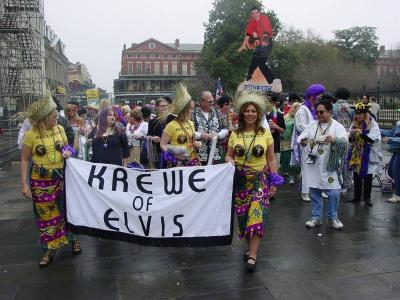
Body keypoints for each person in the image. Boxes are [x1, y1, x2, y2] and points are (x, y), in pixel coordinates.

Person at [20, 94, 80, 267]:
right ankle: (49, 248)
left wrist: (69, 151)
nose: (57, 117)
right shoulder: (30, 135)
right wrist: (24, 185)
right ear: (45, 118)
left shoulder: (60, 129)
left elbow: (68, 147)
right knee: (45, 216)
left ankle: (73, 239)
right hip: (40, 180)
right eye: (54, 115)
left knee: (67, 210)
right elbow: (24, 159)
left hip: (61, 176)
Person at [226, 91, 282, 272]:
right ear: (242, 113)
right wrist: (229, 160)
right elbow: (228, 155)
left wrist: (274, 181)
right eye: (247, 111)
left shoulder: (265, 134)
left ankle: (253, 254)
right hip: (240, 181)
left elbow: (271, 159)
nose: (250, 114)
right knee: (243, 219)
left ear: (258, 114)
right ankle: (250, 248)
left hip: (260, 180)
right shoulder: (235, 134)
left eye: (253, 111)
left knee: (257, 216)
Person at [298, 100, 349, 229]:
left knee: (334, 192)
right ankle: (316, 217)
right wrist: (303, 141)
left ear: (330, 112)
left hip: (330, 165)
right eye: (317, 112)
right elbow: (302, 137)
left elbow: (345, 143)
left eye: (322, 112)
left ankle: (333, 217)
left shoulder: (337, 126)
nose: (318, 115)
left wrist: (334, 140)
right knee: (314, 190)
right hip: (314, 164)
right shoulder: (312, 125)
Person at [291, 84, 326, 201]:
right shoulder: (302, 109)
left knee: (319, 166)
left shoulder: (315, 108)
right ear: (312, 96)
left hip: (317, 143)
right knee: (306, 167)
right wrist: (315, 128)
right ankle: (305, 192)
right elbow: (300, 126)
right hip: (306, 144)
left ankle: (319, 189)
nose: (321, 97)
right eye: (319, 95)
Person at [346, 103, 381, 207]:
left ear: (365, 114)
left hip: (368, 154)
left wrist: (361, 133)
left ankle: (367, 198)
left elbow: (373, 139)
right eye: (357, 113)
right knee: (356, 175)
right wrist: (352, 134)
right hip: (356, 154)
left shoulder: (372, 123)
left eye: (360, 114)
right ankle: (357, 197)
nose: (358, 116)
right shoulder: (354, 124)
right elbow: (349, 140)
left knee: (367, 176)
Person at [237, 6, 279, 89]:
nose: (255, 15)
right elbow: (248, 34)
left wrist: (264, 41)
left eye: (256, 12)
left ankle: (273, 80)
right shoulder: (251, 22)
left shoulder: (264, 18)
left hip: (266, 42)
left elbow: (267, 31)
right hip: (259, 43)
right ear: (251, 15)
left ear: (259, 13)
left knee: (260, 61)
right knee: (255, 60)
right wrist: (243, 45)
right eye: (253, 14)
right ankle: (249, 77)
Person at [160, 84, 201, 167]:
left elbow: (192, 141)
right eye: (191, 109)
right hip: (177, 164)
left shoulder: (191, 123)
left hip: (192, 161)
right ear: (184, 111)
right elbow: (162, 144)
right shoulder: (171, 125)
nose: (192, 111)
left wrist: (196, 143)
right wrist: (174, 155)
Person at [192, 91, 229, 165]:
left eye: (213, 100)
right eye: (210, 101)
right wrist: (200, 135)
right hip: (198, 156)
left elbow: (226, 129)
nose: (213, 103)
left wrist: (218, 135)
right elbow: (187, 130)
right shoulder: (193, 113)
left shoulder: (218, 112)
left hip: (216, 156)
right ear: (202, 102)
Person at [332, 87, 354, 192]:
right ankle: (346, 183)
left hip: (336, 136)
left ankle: (336, 182)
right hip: (349, 137)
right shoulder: (352, 108)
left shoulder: (333, 107)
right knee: (347, 160)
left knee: (336, 160)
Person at [147, 98, 175, 168]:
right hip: (158, 151)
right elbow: (148, 135)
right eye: (162, 106)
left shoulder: (172, 119)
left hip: (171, 150)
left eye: (166, 106)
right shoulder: (152, 121)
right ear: (156, 107)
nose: (165, 108)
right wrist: (153, 138)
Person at [281, 102, 301, 184]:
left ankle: (298, 176)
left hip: (298, 141)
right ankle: (291, 176)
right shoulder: (287, 117)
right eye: (298, 108)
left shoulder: (301, 117)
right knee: (289, 159)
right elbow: (284, 127)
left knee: (297, 159)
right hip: (287, 142)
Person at [381, 122, 400, 203]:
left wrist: (390, 139)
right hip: (396, 150)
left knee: (396, 173)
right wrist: (379, 131)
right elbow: (391, 133)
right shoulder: (399, 123)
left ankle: (398, 195)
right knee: (391, 171)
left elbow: (393, 137)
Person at [266, 94, 286, 168]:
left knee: (274, 167)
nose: (267, 104)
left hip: (275, 144)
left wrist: (276, 127)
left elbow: (283, 130)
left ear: (273, 103)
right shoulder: (260, 115)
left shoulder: (279, 115)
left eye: (270, 102)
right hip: (263, 145)